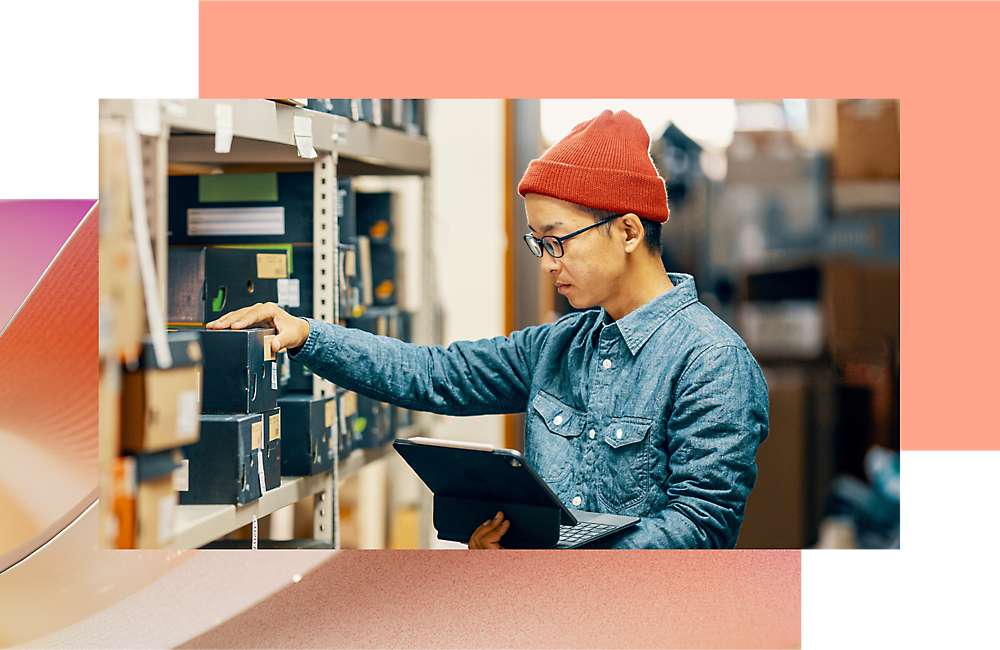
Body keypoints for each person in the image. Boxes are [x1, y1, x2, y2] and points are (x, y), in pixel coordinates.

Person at [207, 109, 769, 549]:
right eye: (537, 244)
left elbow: (698, 531)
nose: (547, 263)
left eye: (558, 240)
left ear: (626, 231)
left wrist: (552, 563)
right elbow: (434, 374)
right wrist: (307, 335)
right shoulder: (559, 345)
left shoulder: (712, 363)